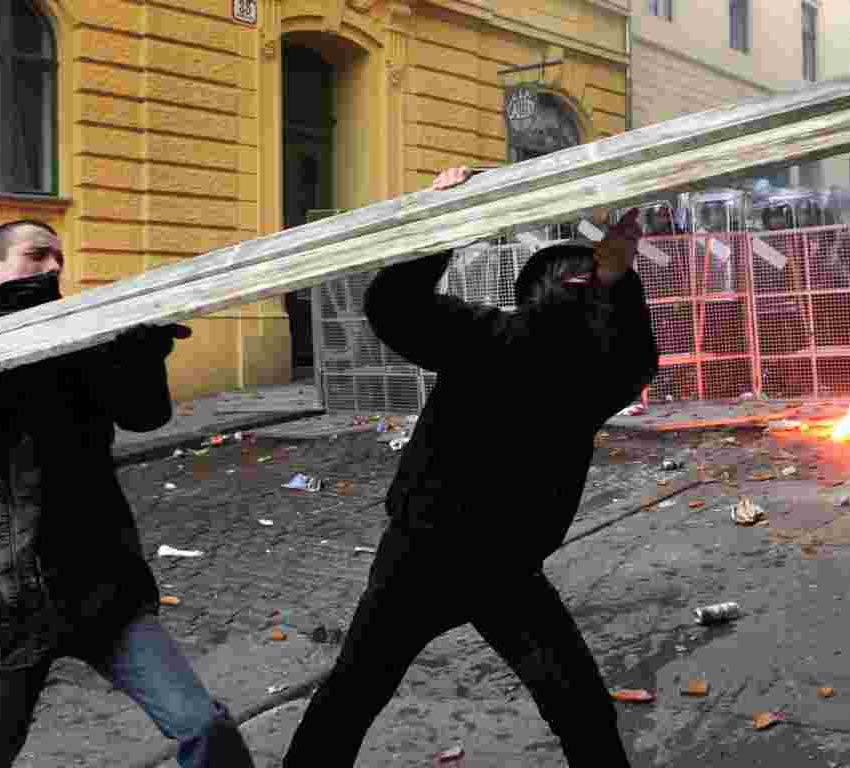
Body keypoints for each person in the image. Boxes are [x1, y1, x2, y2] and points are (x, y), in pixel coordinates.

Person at [282, 167, 659, 767]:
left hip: (499, 569)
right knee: (354, 693)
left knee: (577, 704)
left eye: (585, 281)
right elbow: (393, 307)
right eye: (572, 278)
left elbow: (635, 360)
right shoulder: (491, 339)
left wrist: (615, 279)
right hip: (424, 559)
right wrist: (446, 219)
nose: (577, 286)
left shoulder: (582, 377)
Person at [0, 221, 255, 767]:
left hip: (99, 590)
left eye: (58, 261)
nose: (51, 268)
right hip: (1, 607)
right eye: (37, 255)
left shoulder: (82, 349)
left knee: (204, 727)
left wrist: (142, 355)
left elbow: (144, 414)